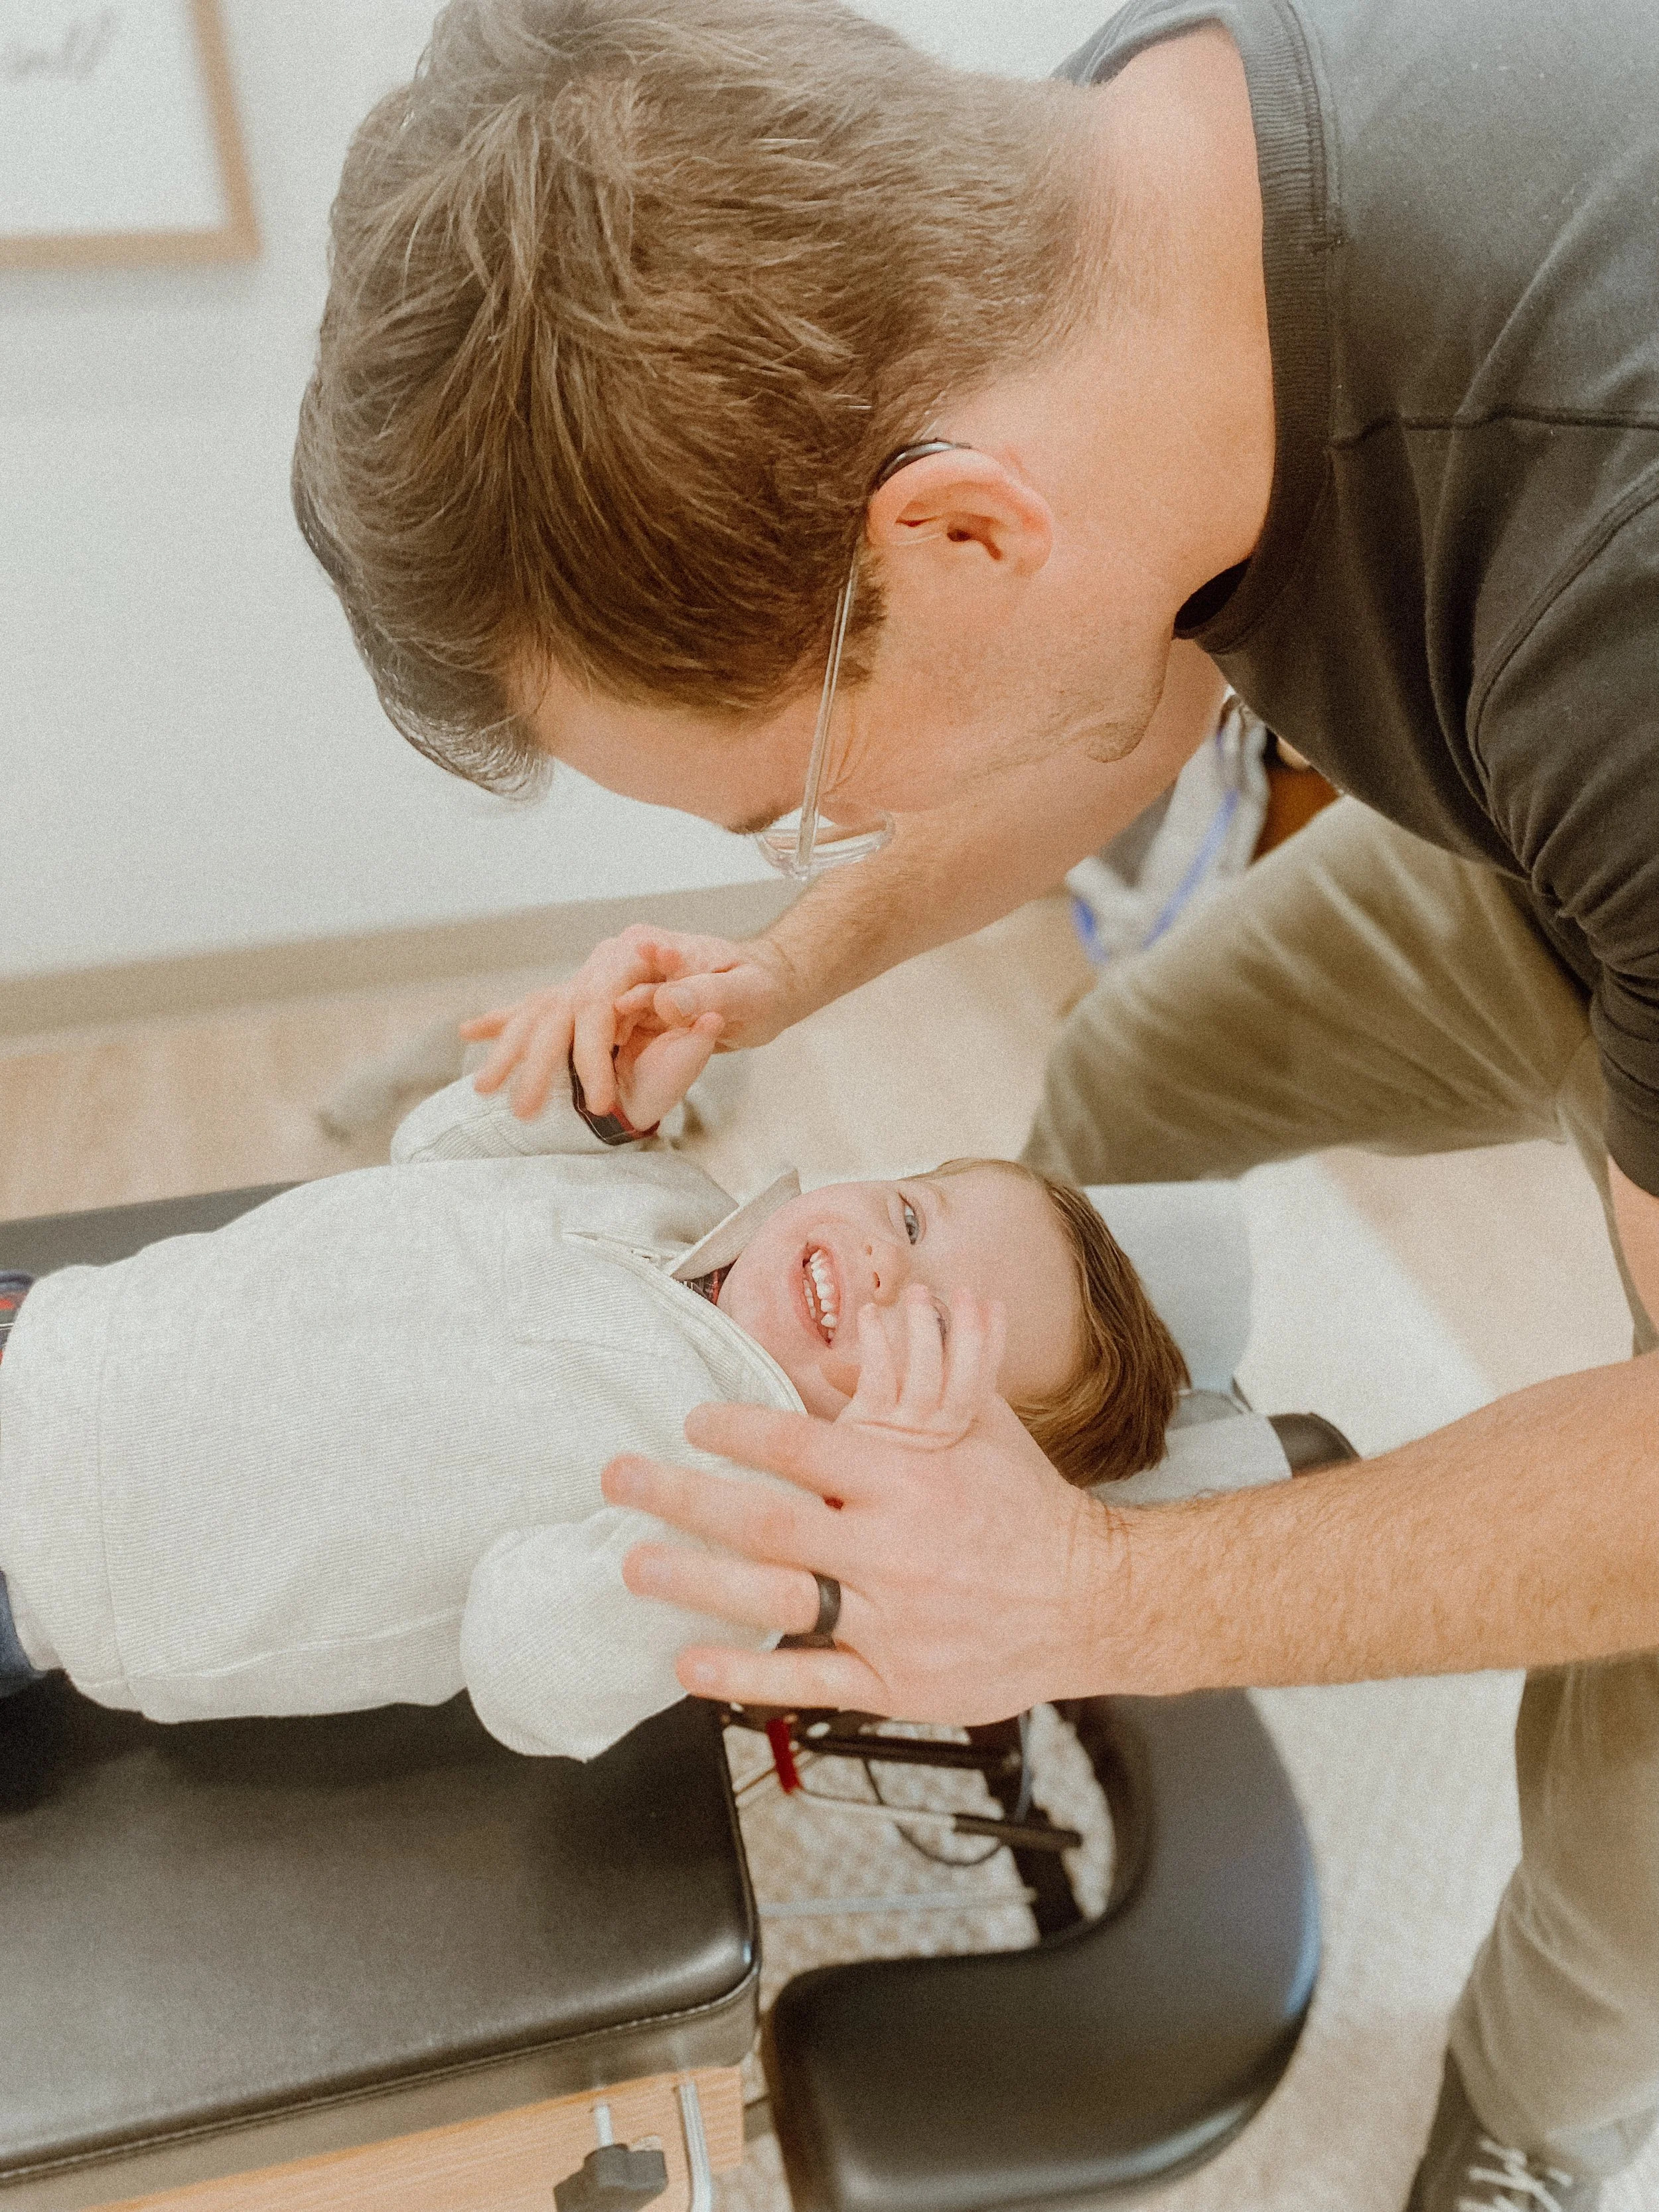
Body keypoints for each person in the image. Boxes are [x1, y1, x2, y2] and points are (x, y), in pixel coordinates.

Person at [290, 1, 1659, 2201]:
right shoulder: (1124, 177)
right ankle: (1136, 1419)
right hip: (1549, 821)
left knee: (1638, 1697)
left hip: (1612, 740)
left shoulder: (1617, 581)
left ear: (955, 540)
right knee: (1137, 1078)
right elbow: (1138, 651)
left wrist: (1098, 1605)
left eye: (778, 806)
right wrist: (779, 967)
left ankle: (1553, 2119)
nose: (786, 848)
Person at [0, 1012, 1185, 1755]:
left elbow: (531, 1676)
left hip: (54, 1554)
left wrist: (791, 1515)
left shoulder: (729, 1528)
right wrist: (586, 1092)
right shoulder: (672, 1199)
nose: (885, 1261)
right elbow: (433, 1165)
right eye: (913, 1213)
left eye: (926, 1328)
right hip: (61, 1325)